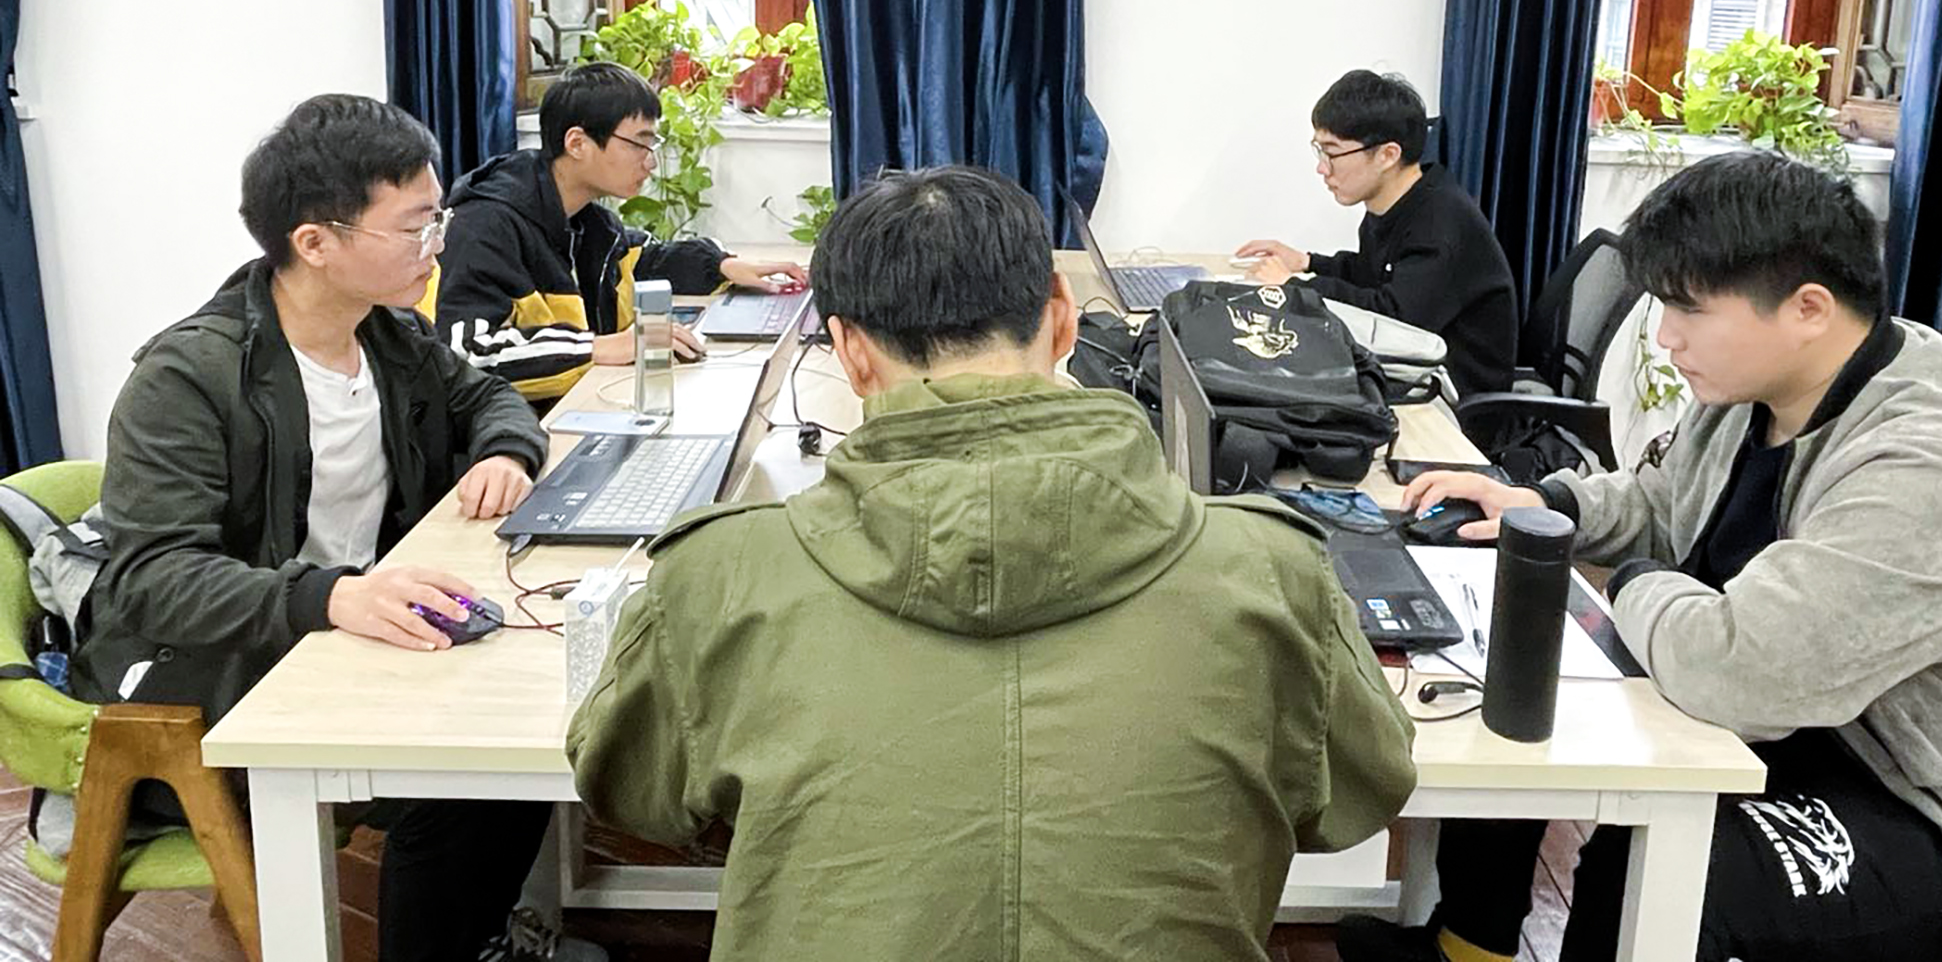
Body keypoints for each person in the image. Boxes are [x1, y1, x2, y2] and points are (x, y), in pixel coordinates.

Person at [567, 165, 1417, 961]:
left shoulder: (718, 576)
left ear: (850, 352)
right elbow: (1359, 794)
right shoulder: (1272, 571)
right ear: (1062, 318)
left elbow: (636, 794)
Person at [1339, 152, 1942, 962]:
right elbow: (1659, 500)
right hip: (1786, 721)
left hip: (1916, 801)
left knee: (1656, 877)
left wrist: (1638, 584)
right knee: (1516, 697)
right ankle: (1468, 946)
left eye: (1689, 310)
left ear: (1809, 309)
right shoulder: (1760, 391)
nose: (1665, 337)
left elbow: (1743, 670)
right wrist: (1543, 506)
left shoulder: (1931, 469)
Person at [76, 95, 565, 962]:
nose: (437, 243)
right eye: (415, 225)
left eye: (439, 218)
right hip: (223, 660)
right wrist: (331, 597)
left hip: (340, 623)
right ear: (315, 242)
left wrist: (505, 452)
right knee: (460, 773)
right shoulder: (189, 376)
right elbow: (151, 578)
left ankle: (484, 935)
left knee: (528, 714)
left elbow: (487, 394)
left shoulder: (388, 335)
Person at [426, 61, 809, 406]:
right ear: (577, 143)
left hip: (577, 406)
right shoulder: (484, 227)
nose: (650, 161)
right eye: (639, 143)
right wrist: (597, 348)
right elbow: (468, 354)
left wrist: (723, 265)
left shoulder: (586, 220)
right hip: (505, 440)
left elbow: (646, 261)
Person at [1236, 70, 1517, 397]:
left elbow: (1393, 321)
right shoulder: (1395, 202)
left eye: (1332, 152)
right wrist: (1307, 262)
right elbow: (1372, 274)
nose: (1322, 168)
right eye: (1319, 151)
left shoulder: (1441, 223)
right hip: (1411, 373)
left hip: (1451, 399)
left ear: (1387, 155)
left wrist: (1295, 287)